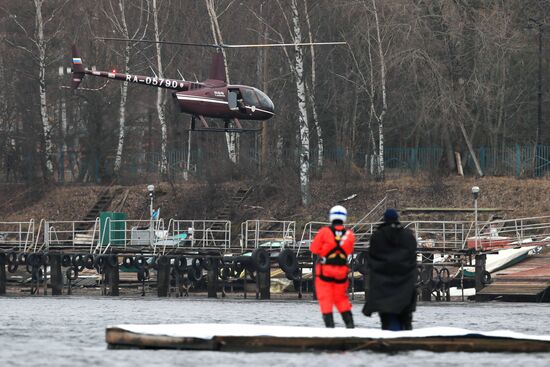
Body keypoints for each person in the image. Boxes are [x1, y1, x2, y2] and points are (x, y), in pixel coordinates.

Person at [362, 208, 417, 331]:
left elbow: (372, 257)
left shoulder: (377, 236)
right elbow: (412, 256)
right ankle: (405, 335)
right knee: (405, 315)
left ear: (384, 219)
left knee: (386, 316)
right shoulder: (408, 235)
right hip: (404, 281)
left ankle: (389, 337)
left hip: (383, 282)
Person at [310, 205, 356, 328]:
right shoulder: (350, 234)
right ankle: (350, 326)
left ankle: (330, 328)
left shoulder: (324, 232)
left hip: (325, 272)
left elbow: (314, 249)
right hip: (341, 272)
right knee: (341, 299)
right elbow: (350, 250)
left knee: (325, 300)